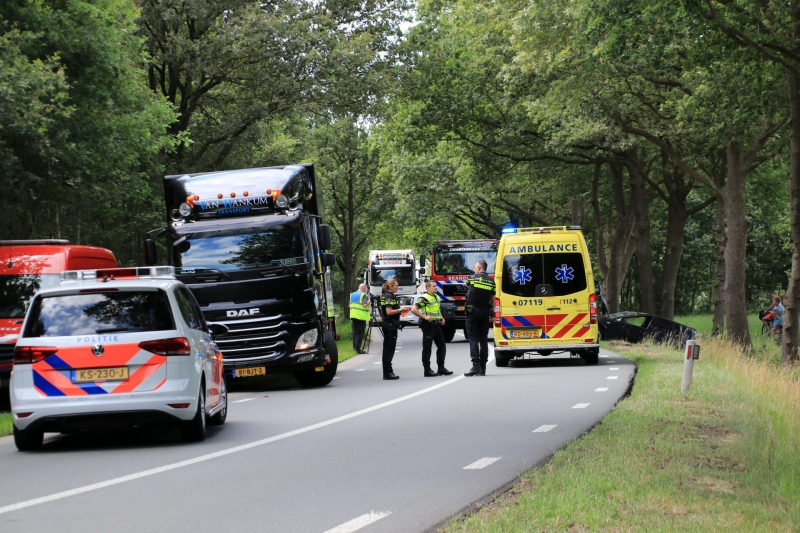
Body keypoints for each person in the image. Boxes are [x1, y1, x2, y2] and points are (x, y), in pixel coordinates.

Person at [410, 281, 453, 377]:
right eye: (434, 286)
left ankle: (441, 368)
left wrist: (441, 318)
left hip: (437, 325)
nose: (436, 288)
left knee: (442, 346)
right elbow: (414, 309)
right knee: (427, 348)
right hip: (428, 326)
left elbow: (437, 310)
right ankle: (427, 369)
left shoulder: (436, 297)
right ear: (428, 288)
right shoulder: (424, 298)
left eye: (436, 286)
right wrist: (424, 317)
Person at [464, 259, 496, 376]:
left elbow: (470, 290)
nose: (474, 269)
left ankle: (475, 366)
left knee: (473, 338)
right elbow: (493, 302)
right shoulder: (491, 281)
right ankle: (483, 368)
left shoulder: (471, 278)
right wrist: (491, 314)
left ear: (478, 268)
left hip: (472, 311)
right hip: (484, 312)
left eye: (475, 267)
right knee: (483, 339)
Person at [380, 279, 402, 380]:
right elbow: (389, 312)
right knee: (389, 349)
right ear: (391, 286)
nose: (398, 287)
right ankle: (388, 372)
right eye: (396, 286)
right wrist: (401, 310)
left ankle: (387, 371)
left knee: (387, 348)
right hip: (390, 324)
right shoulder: (389, 296)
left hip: (388, 324)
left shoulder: (386, 296)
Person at [349, 283, 370, 354]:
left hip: (353, 315)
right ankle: (358, 348)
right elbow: (364, 304)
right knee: (360, 332)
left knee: (355, 332)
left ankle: (354, 347)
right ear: (364, 288)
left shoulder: (352, 294)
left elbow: (349, 305)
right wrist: (368, 302)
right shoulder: (363, 295)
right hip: (360, 316)